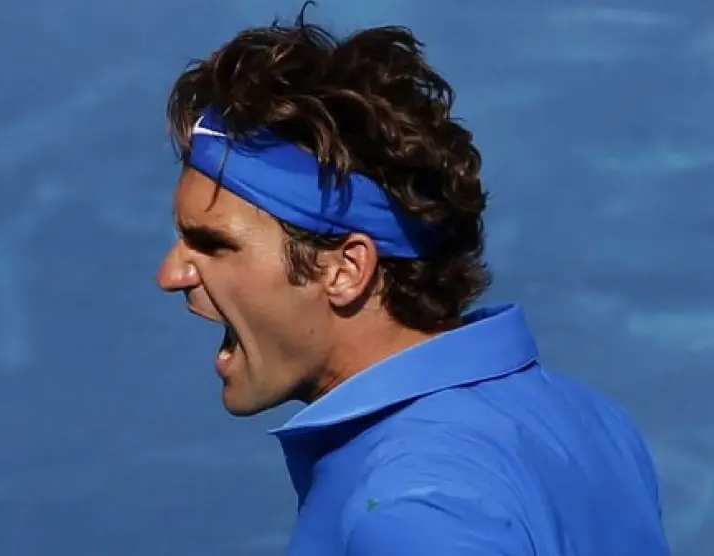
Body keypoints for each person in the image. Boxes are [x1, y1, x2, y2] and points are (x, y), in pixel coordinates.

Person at [155, 5, 670, 555]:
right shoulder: (588, 418)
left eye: (213, 244)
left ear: (345, 270)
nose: (170, 274)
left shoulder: (410, 510)